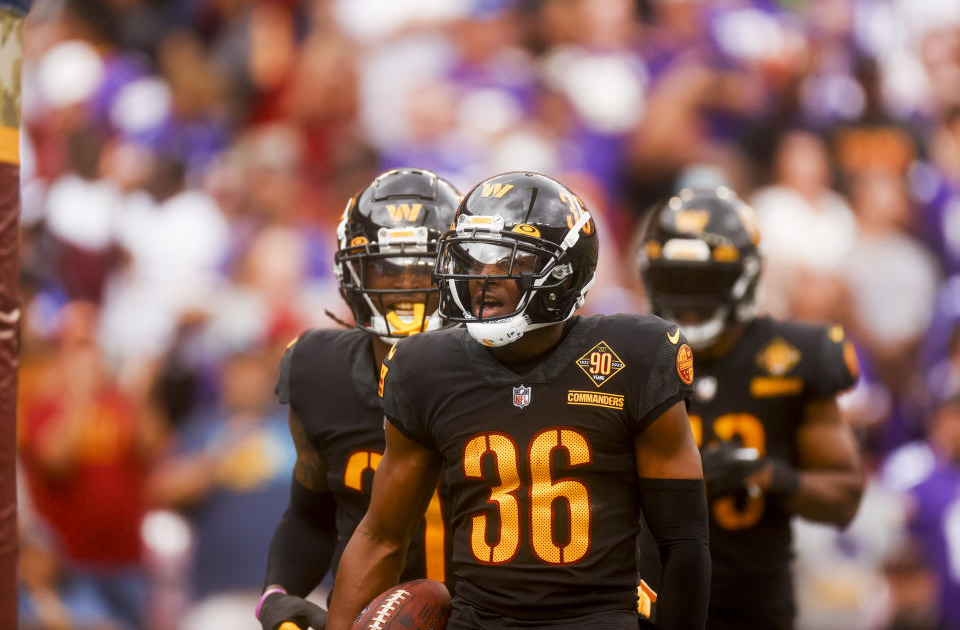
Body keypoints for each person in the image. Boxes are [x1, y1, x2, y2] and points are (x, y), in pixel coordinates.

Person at [326, 171, 710, 630]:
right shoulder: (424, 367)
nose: (483, 278)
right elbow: (380, 536)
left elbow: (684, 540)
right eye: (474, 258)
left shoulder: (635, 355)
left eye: (508, 259)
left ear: (563, 272)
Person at [638, 186, 865, 629]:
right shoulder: (629, 354)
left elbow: (845, 497)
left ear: (746, 276)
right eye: (675, 280)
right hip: (645, 607)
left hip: (754, 610)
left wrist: (767, 476)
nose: (687, 299)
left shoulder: (796, 356)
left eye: (703, 282)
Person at [255, 168, 462, 630]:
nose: (406, 283)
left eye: (422, 266)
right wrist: (277, 595)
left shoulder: (504, 370)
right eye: (387, 266)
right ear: (350, 273)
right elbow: (311, 515)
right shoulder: (316, 369)